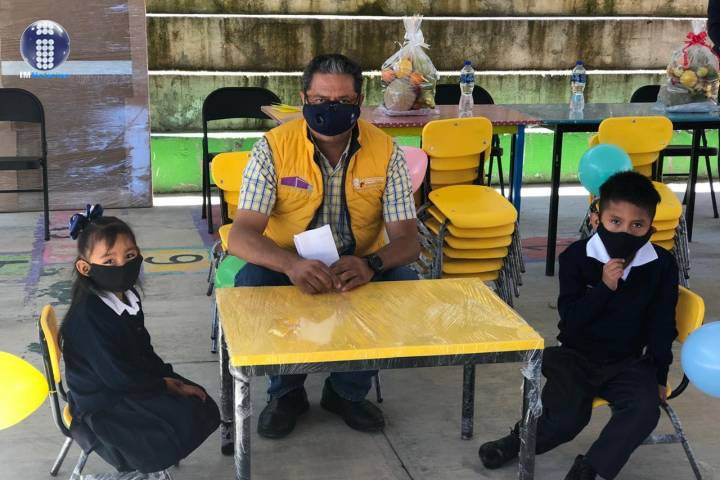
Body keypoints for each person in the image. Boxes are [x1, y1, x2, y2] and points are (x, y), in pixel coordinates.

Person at [228, 53, 420, 439]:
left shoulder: (386, 151)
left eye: (343, 101)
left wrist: (371, 264)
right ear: (304, 99)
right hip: (289, 262)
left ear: (359, 102)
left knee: (403, 280)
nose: (331, 109)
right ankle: (286, 392)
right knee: (251, 281)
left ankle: (346, 392)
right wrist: (290, 265)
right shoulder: (273, 148)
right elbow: (241, 235)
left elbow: (409, 241)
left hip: (357, 264)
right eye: (320, 100)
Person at [478, 172, 678, 480]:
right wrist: (604, 288)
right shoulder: (576, 257)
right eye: (615, 222)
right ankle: (516, 442)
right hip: (576, 356)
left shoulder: (661, 264)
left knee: (644, 410)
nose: (625, 232)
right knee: (566, 420)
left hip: (627, 362)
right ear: (597, 220)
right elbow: (571, 324)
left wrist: (660, 374)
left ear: (651, 228)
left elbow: (662, 323)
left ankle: (590, 469)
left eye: (637, 225)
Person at [60, 206, 220, 477]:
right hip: (102, 403)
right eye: (109, 261)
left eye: (130, 256)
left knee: (202, 406)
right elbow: (117, 377)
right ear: (85, 268)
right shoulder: (88, 316)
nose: (122, 265)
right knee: (177, 423)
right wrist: (164, 385)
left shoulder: (127, 297)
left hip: (128, 383)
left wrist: (169, 378)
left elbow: (143, 350)